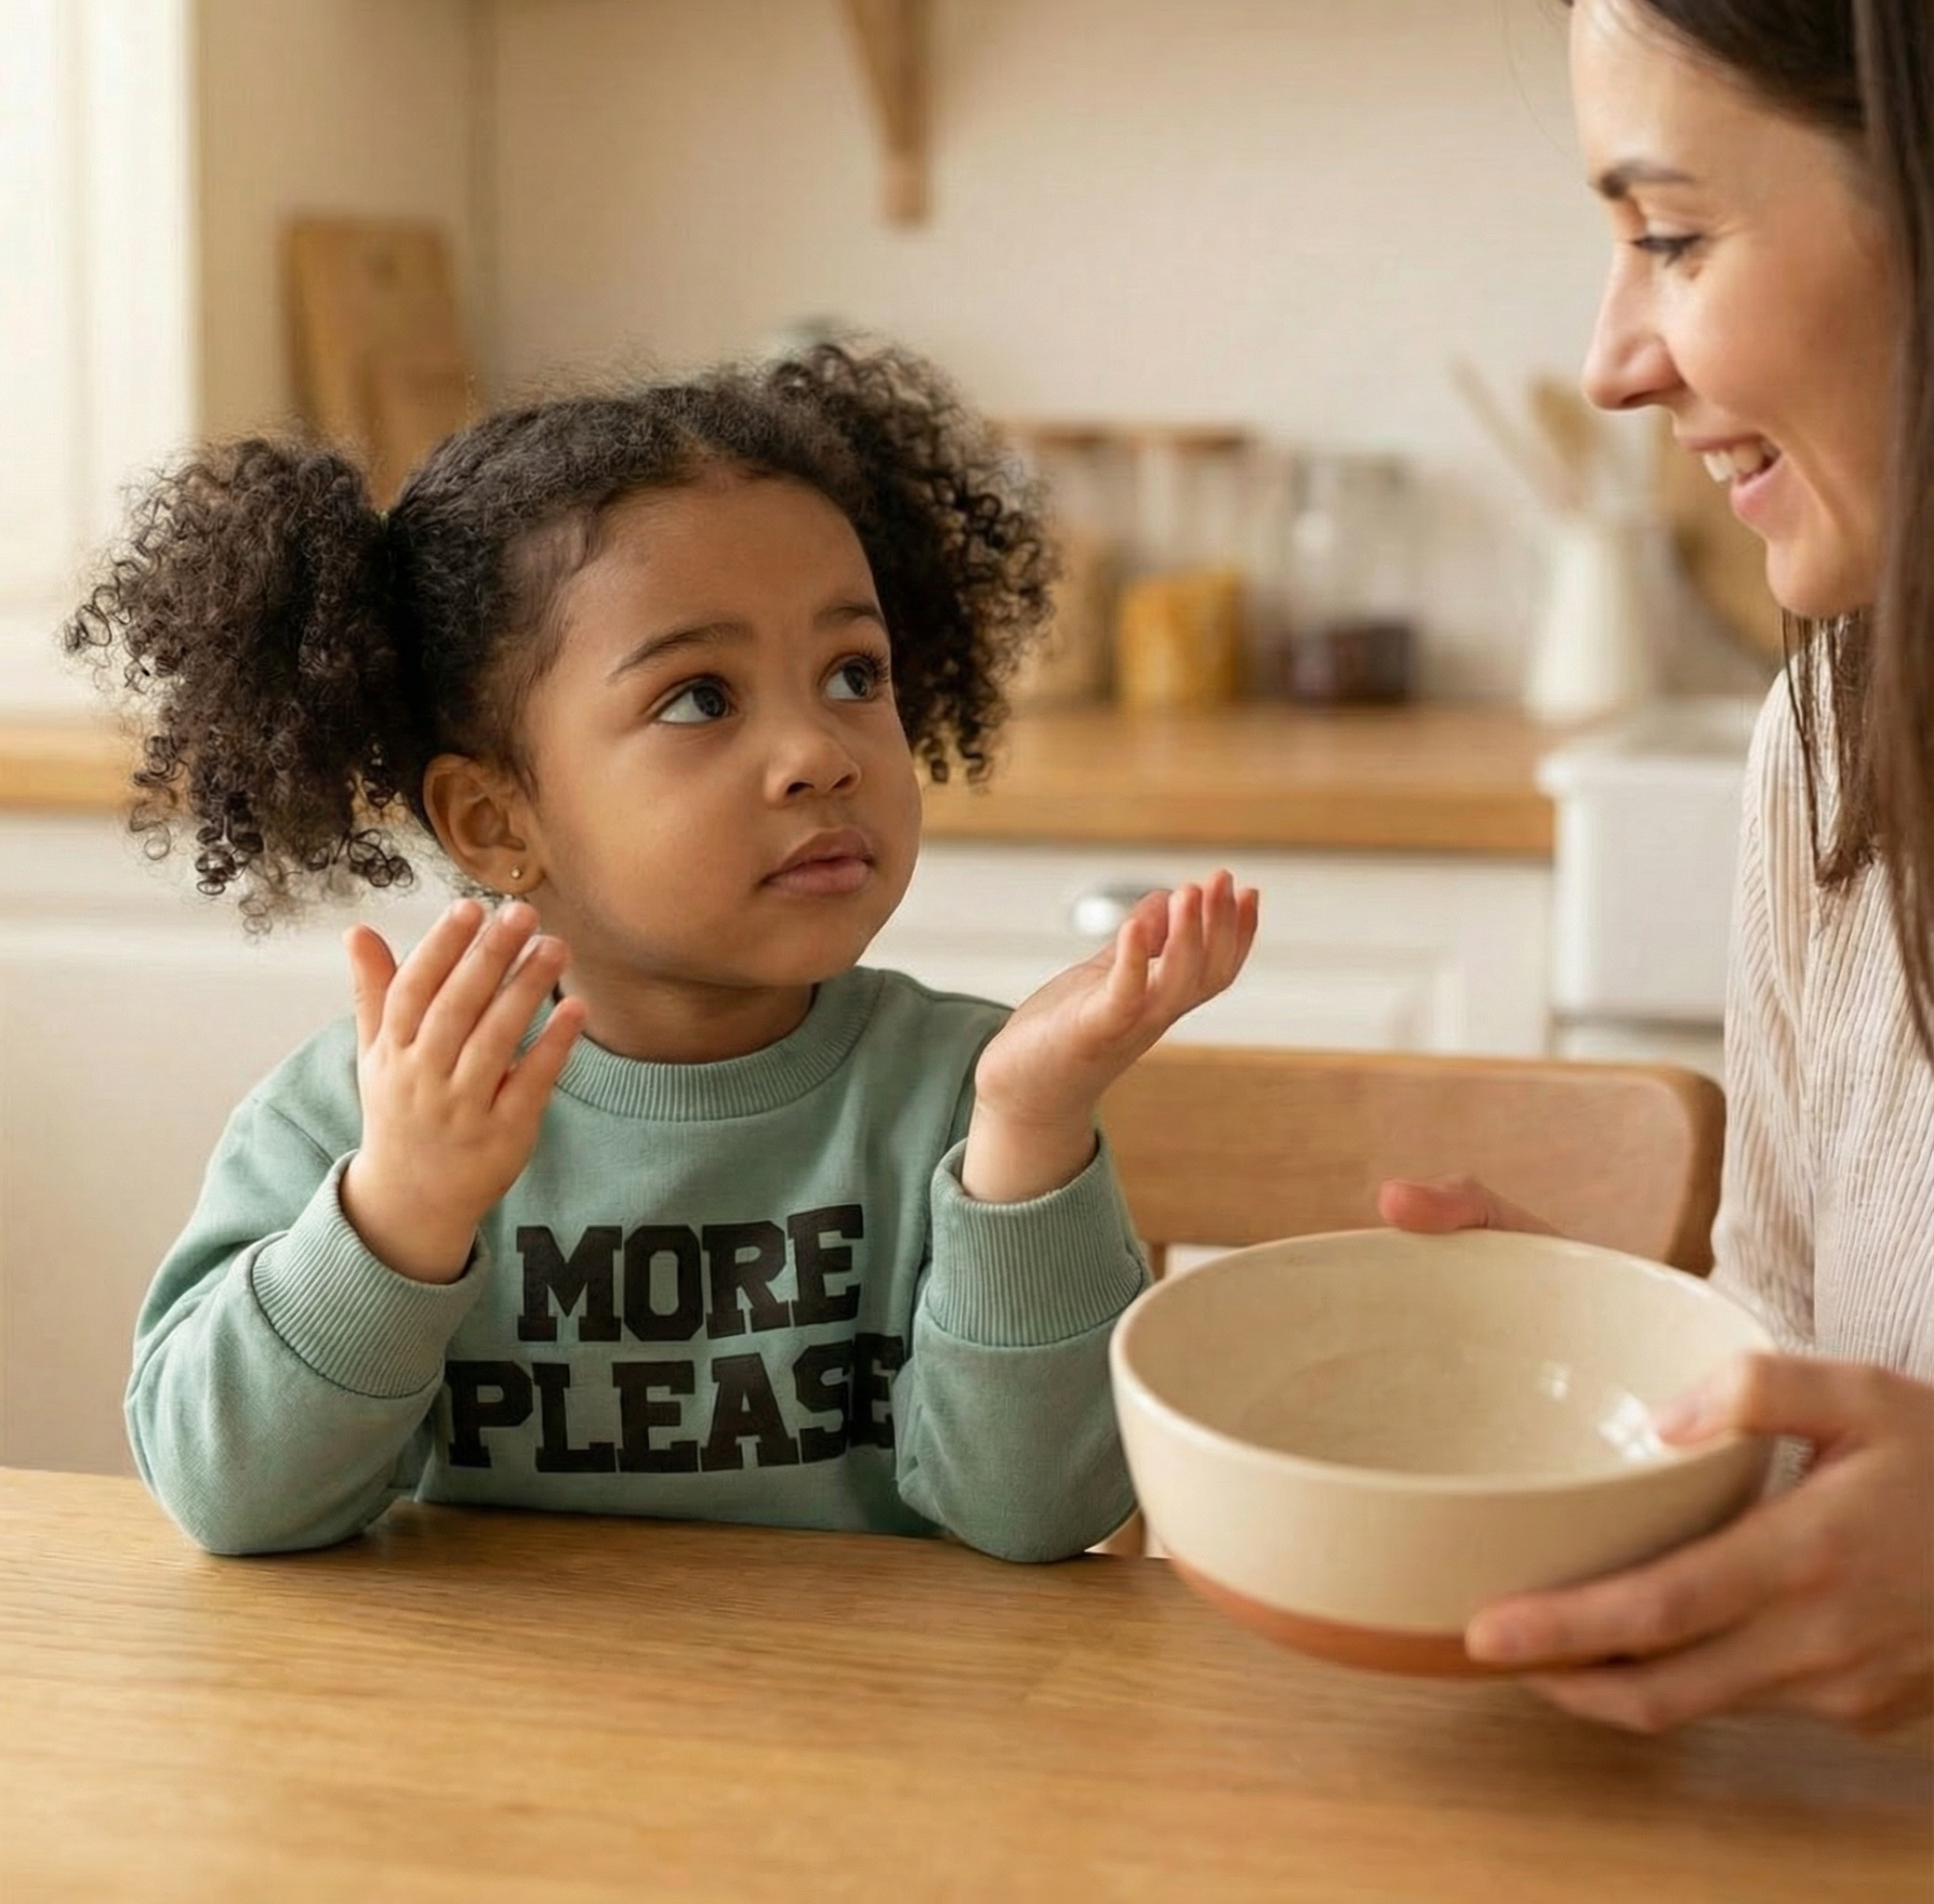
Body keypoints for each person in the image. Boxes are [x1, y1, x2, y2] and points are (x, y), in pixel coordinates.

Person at [66, 343, 1258, 1564]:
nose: (821, 752)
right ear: (497, 820)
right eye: (701, 697)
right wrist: (401, 1211)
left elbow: (1038, 1516)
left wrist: (1027, 1127)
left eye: (854, 672)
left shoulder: (967, 1101)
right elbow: (231, 1501)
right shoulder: (357, 1117)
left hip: (877, 1730)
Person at [1384, 0, 1933, 1734]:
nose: (1617, 358)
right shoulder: (1838, 735)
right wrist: (1644, 1386)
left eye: (1674, 237)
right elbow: (1802, 1336)